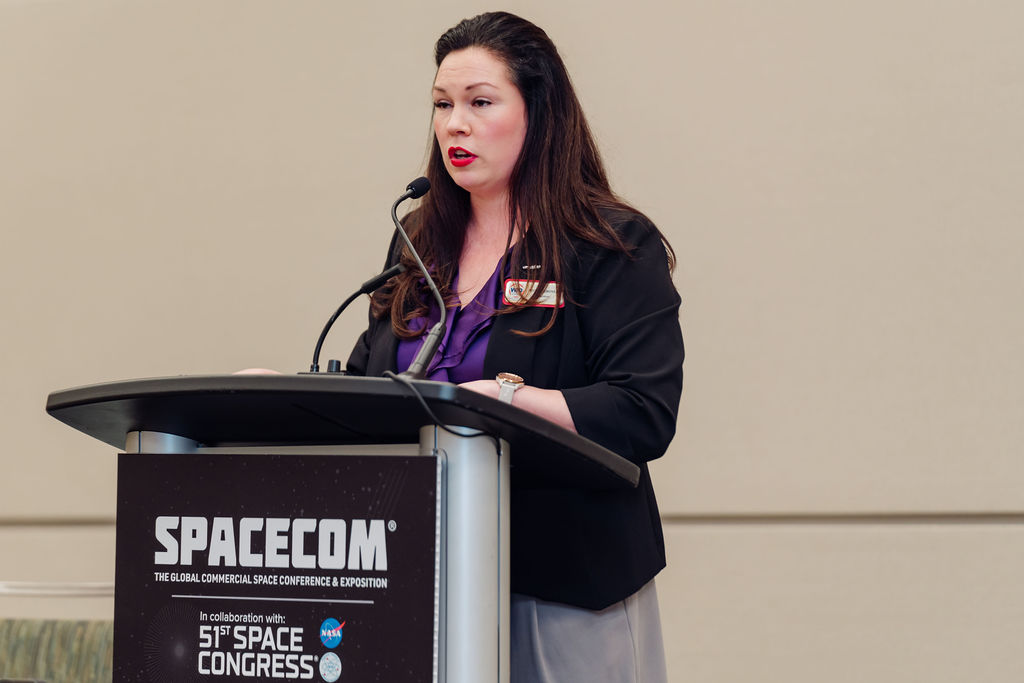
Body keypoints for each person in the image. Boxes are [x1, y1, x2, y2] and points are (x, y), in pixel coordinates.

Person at [346, 11, 683, 683]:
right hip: (415, 579)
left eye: (479, 102)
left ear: (540, 113)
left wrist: (503, 400)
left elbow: (642, 410)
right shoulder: (419, 239)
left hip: (562, 584)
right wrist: (278, 397)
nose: (454, 125)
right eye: (442, 104)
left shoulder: (608, 243)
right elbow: (369, 386)